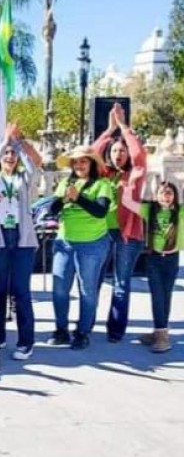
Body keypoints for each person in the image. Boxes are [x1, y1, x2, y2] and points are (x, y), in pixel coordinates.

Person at [0, 123, 40, 361]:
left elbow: (34, 168)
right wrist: (4, 143)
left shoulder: (23, 180)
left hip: (22, 238)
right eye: (6, 155)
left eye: (12, 155)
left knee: (21, 292)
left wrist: (17, 143)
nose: (9, 157)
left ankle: (26, 341)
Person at [91, 102, 147, 343]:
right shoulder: (104, 174)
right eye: (114, 151)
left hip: (128, 237)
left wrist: (124, 127)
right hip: (102, 235)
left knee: (121, 285)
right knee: (92, 282)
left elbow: (139, 154)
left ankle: (115, 330)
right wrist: (109, 130)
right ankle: (86, 326)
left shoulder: (135, 174)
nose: (119, 154)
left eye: (122, 151)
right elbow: (91, 152)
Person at [47, 146, 112, 350]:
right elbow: (52, 209)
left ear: (91, 163)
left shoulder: (102, 185)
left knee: (87, 290)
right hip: (65, 242)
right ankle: (61, 329)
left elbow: (100, 211)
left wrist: (78, 198)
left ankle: (83, 332)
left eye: (84, 161)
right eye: (76, 162)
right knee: (59, 289)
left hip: (92, 244)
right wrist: (64, 198)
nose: (79, 165)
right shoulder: (66, 183)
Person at [122, 178, 178, 353]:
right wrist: (129, 183)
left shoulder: (180, 212)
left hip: (172, 259)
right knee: (157, 296)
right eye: (162, 193)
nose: (166, 197)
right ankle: (160, 333)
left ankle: (161, 332)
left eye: (169, 193)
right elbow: (127, 202)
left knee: (166, 295)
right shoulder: (150, 211)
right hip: (154, 259)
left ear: (175, 196)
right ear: (155, 195)